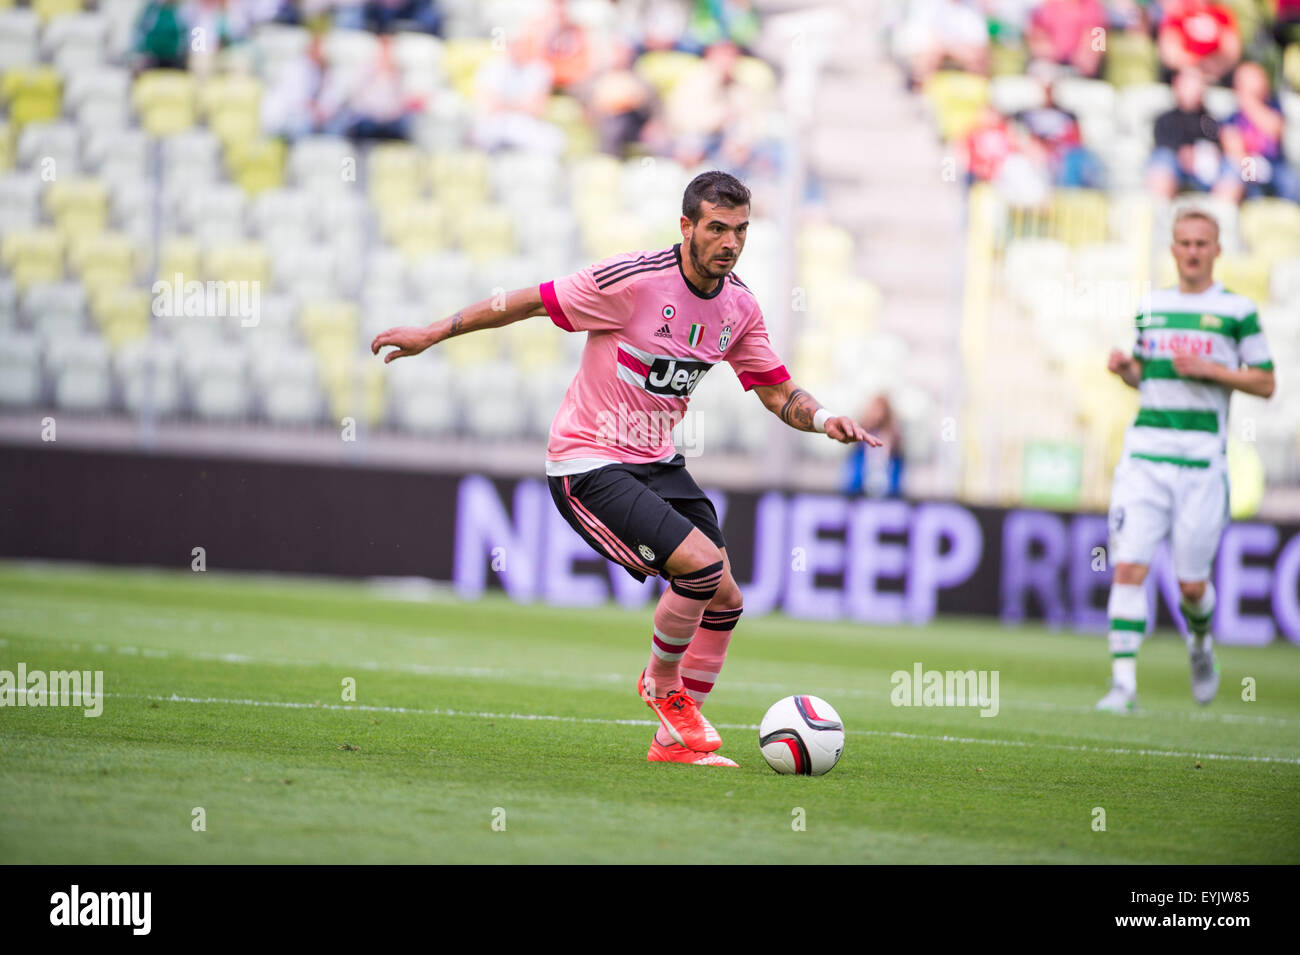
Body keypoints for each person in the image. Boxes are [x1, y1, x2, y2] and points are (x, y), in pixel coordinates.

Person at [371, 172, 880, 766]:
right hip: (588, 461)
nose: (730, 242)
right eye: (717, 228)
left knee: (725, 599)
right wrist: (434, 332)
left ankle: (671, 745)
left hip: (656, 461)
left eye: (740, 231)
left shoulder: (739, 307)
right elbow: (530, 301)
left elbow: (777, 392)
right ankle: (662, 686)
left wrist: (825, 420)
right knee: (700, 566)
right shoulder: (632, 282)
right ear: (687, 226)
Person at [1097, 208, 1275, 714]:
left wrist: (1214, 370)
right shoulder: (1150, 307)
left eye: (1202, 243)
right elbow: (1145, 379)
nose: (1192, 252)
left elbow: (1265, 381)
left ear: (1217, 250)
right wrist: (1126, 370)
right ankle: (1123, 686)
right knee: (1128, 566)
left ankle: (1200, 646)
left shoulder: (1237, 312)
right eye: (1184, 243)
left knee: (1191, 585)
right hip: (1144, 460)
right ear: (1172, 249)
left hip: (1201, 465)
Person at [1216, 61, 1300, 203]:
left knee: (1292, 181)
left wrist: (1250, 102)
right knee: (1232, 175)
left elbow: (1275, 129)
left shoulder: (1274, 106)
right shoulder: (1232, 117)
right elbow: (1233, 148)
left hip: (1274, 165)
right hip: (1245, 166)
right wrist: (1250, 165)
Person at [1147, 69, 1228, 199]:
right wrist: (1183, 155)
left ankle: (1221, 207)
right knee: (1162, 159)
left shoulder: (1210, 121)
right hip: (1175, 172)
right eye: (1189, 84)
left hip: (1206, 175)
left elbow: (1217, 149)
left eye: (1198, 83)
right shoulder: (1165, 119)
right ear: (1176, 86)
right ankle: (1159, 206)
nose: (1194, 89)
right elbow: (1163, 147)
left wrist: (1200, 156)